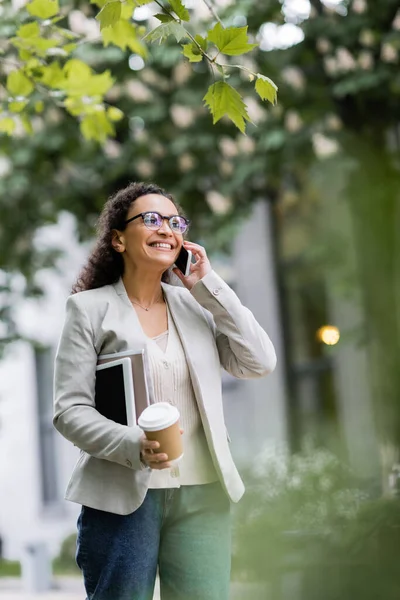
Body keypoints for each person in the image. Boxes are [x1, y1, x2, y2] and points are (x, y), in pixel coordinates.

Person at [53, 181, 276, 600]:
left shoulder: (197, 307)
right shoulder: (87, 310)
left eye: (175, 222)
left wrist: (210, 287)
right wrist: (131, 442)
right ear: (118, 239)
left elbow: (259, 362)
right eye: (151, 219)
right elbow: (69, 410)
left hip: (204, 494)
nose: (167, 229)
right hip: (123, 498)